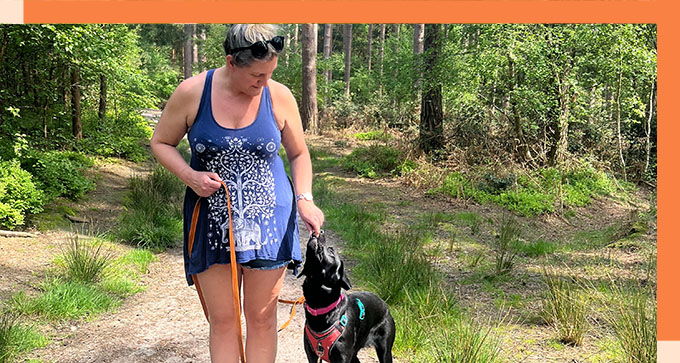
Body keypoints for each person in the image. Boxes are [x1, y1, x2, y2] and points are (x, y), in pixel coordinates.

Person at [150, 24, 324, 363]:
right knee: (224, 320)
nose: (263, 82)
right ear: (231, 62)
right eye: (256, 75)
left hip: (270, 224)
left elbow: (299, 154)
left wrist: (305, 198)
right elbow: (161, 143)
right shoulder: (192, 92)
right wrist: (190, 176)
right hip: (211, 224)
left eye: (270, 73)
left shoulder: (279, 96)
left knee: (261, 318)